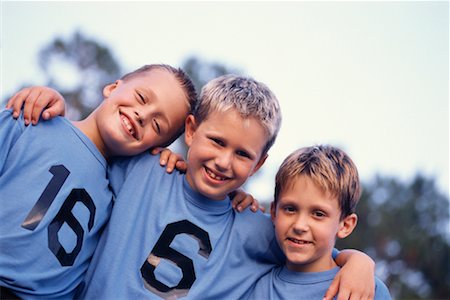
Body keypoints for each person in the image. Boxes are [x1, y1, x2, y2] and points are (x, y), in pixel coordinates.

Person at [71, 74, 376, 299]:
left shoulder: (256, 229)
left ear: (257, 164)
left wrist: (359, 262)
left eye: (242, 154)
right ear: (191, 131)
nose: (223, 162)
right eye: (217, 142)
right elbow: (83, 146)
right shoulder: (143, 168)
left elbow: (314, 243)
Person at [0, 64, 198, 298]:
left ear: (157, 147)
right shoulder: (31, 121)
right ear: (112, 87)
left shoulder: (121, 196)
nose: (142, 115)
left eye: (157, 125)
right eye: (142, 97)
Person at [248, 145, 391, 299]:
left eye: (318, 214)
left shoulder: (365, 290)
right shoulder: (253, 287)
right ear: (274, 212)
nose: (299, 226)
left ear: (345, 225)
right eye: (290, 209)